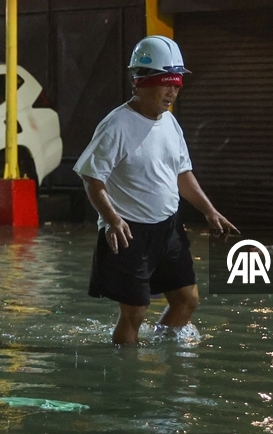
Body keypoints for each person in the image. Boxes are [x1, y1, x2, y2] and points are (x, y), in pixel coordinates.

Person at [74, 35, 238, 345]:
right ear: (140, 81)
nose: (173, 91)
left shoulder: (170, 123)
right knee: (135, 313)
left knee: (187, 300)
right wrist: (112, 218)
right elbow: (92, 179)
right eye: (166, 82)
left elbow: (182, 174)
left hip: (168, 229)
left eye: (177, 83)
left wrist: (209, 211)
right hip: (129, 231)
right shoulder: (117, 125)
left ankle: (162, 352)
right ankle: (128, 377)